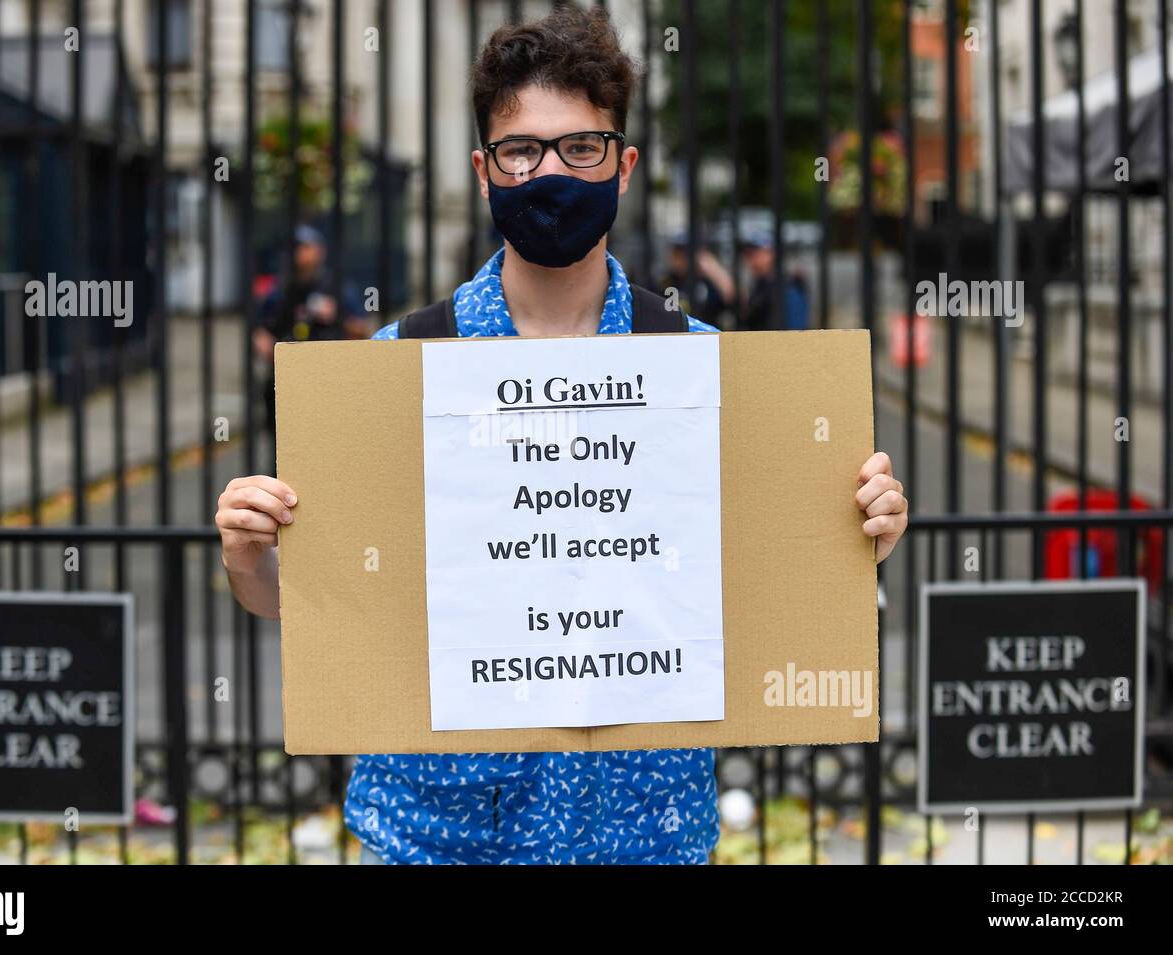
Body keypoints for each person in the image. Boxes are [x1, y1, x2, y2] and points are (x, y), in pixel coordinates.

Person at [215, 4, 908, 865]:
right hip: (441, 832)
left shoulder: (703, 371)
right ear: (484, 170)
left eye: (581, 146)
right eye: (522, 150)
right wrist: (253, 561)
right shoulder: (400, 365)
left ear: (623, 166)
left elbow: (770, 573)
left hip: (641, 830)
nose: (552, 171)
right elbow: (331, 605)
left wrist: (857, 539)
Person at [253, 225, 369, 435]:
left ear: (319, 251)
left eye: (305, 247)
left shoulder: (337, 288)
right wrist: (265, 344)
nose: (299, 254)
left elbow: (362, 331)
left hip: (326, 381)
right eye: (295, 248)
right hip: (285, 382)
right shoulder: (281, 290)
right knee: (283, 445)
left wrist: (337, 317)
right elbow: (260, 328)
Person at [661, 234, 737, 329]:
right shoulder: (669, 282)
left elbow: (731, 297)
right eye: (677, 254)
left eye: (685, 254)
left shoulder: (708, 280)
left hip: (708, 335)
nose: (681, 259)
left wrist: (712, 267)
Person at [740, 231, 810, 331]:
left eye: (755, 253)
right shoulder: (760, 284)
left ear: (771, 254)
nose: (750, 259)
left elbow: (795, 329)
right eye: (747, 254)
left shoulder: (788, 286)